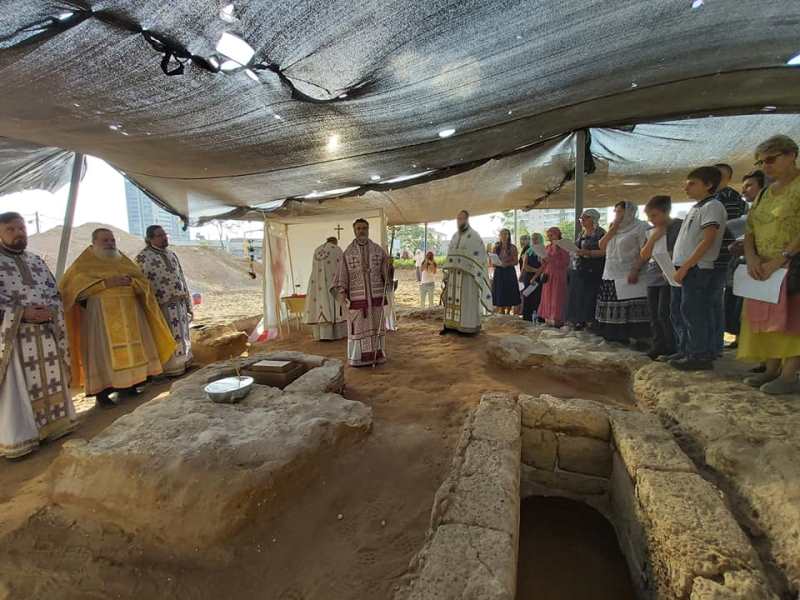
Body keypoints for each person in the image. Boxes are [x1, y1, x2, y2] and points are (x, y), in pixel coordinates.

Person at [59, 228, 176, 405]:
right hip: (101, 317)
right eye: (105, 240)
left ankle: (130, 386)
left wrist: (132, 282)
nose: (110, 244)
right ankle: (103, 393)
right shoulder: (84, 263)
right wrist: (105, 284)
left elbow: (143, 282)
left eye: (112, 240)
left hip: (130, 315)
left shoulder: (123, 260)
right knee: (103, 353)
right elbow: (73, 292)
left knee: (133, 350)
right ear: (94, 243)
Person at [0, 212, 77, 459]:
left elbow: (54, 294)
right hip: (14, 339)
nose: (18, 233)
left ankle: (54, 427)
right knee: (18, 387)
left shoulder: (36, 261)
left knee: (49, 379)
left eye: (21, 228)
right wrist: (21, 314)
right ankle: (22, 438)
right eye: (11, 229)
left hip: (44, 334)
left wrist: (51, 311)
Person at [738, 135, 800, 394]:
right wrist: (751, 257)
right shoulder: (764, 193)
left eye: (771, 159)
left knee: (794, 319)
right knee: (770, 319)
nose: (766, 166)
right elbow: (750, 227)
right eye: (762, 161)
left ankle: (789, 375)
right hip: (763, 267)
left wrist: (782, 258)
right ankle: (772, 369)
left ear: (791, 155)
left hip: (792, 264)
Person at [668, 167, 728, 371]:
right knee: (683, 310)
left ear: (708, 185)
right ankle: (688, 349)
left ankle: (700, 354)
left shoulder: (713, 206)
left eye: (692, 183)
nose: (686, 187)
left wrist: (686, 266)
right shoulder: (696, 208)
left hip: (698, 268)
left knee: (694, 311)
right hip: (687, 267)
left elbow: (708, 240)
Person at [135, 225, 193, 376]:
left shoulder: (172, 254)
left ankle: (184, 362)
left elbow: (181, 277)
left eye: (164, 234)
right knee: (167, 335)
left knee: (182, 334)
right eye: (159, 235)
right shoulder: (143, 257)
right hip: (161, 304)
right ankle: (169, 369)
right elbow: (141, 283)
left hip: (179, 302)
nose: (164, 237)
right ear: (150, 239)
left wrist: (187, 302)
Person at [332, 219, 390, 366]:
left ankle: (377, 356)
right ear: (354, 231)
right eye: (358, 228)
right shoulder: (347, 252)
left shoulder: (378, 250)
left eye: (364, 228)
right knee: (358, 329)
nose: (362, 231)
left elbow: (386, 274)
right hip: (357, 298)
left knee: (376, 326)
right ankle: (357, 359)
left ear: (368, 229)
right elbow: (342, 274)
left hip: (376, 296)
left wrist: (389, 267)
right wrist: (342, 292)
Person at [596, 201, 650, 343]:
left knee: (631, 306)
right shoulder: (614, 227)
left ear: (629, 212)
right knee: (612, 305)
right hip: (611, 272)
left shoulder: (641, 227)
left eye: (620, 211)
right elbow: (601, 245)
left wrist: (635, 269)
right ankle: (615, 336)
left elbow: (645, 251)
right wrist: (613, 229)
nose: (617, 215)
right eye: (615, 212)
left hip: (630, 272)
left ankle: (637, 338)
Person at [638, 196, 683, 360]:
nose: (651, 220)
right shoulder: (651, 231)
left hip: (670, 275)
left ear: (666, 212)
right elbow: (644, 254)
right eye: (649, 216)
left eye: (654, 215)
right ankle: (658, 345)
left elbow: (681, 251)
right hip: (653, 276)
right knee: (654, 314)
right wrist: (654, 238)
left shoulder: (679, 226)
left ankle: (672, 346)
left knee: (666, 312)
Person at [711, 164, 748, 357]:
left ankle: (716, 343)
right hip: (716, 256)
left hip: (726, 256)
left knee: (720, 300)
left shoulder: (732, 199)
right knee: (722, 300)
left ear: (727, 177)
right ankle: (718, 341)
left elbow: (732, 230)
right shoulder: (710, 198)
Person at [441, 211, 492, 334]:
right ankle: (450, 325)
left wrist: (467, 264)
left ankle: (467, 327)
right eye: (458, 219)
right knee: (451, 298)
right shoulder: (454, 236)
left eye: (462, 218)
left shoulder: (474, 236)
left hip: (468, 275)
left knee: (467, 299)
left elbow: (480, 256)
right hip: (454, 274)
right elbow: (450, 254)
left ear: (467, 219)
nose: (460, 221)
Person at [566, 209, 606, 330]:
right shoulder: (581, 234)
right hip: (579, 268)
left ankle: (590, 321)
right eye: (581, 219)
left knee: (590, 296)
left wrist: (589, 252)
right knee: (578, 295)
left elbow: (605, 251)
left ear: (593, 219)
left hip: (594, 269)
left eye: (585, 218)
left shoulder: (601, 233)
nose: (582, 221)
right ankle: (579, 320)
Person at [304, 236, 347, 341]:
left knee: (321, 305)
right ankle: (336, 334)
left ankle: (322, 335)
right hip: (333, 283)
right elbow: (342, 267)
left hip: (318, 285)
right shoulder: (337, 249)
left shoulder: (317, 250)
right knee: (334, 306)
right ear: (335, 242)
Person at [537, 227, 571, 327]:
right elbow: (544, 263)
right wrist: (542, 259)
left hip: (558, 275)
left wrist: (551, 259)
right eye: (548, 235)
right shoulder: (547, 247)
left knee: (557, 297)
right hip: (548, 274)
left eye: (551, 235)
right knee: (547, 296)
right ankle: (548, 318)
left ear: (557, 234)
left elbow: (565, 262)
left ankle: (558, 320)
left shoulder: (563, 247)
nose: (549, 237)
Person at [491, 228, 521, 315]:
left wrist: (506, 264)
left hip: (509, 272)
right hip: (499, 272)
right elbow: (492, 262)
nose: (504, 236)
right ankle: (501, 311)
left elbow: (516, 261)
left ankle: (508, 312)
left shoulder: (513, 247)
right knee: (500, 292)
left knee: (509, 291)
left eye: (506, 234)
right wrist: (496, 263)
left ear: (508, 236)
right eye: (502, 234)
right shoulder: (496, 247)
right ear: (499, 236)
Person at [519, 233, 544, 322]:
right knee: (528, 297)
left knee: (539, 298)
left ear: (540, 239)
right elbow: (525, 266)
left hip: (540, 277)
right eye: (533, 238)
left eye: (536, 238)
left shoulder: (544, 250)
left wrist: (538, 272)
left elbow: (545, 264)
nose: (534, 240)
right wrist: (537, 270)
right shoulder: (529, 250)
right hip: (528, 277)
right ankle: (527, 318)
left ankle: (540, 318)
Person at [514, 234, 531, 315]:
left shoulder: (527, 249)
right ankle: (522, 310)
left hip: (525, 274)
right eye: (521, 240)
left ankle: (522, 310)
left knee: (524, 292)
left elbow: (525, 264)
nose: (522, 242)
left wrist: (521, 275)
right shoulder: (525, 249)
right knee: (523, 292)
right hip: (524, 272)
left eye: (524, 240)